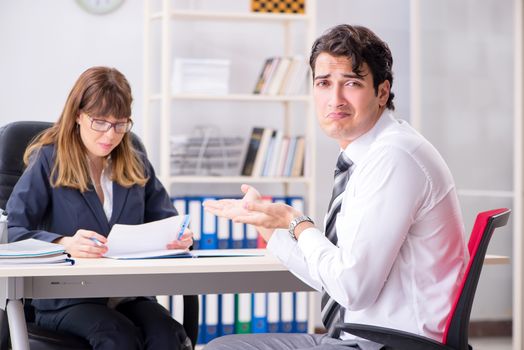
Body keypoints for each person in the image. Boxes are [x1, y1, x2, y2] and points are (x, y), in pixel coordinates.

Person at [203, 24, 468, 350]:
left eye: (352, 83)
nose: (335, 99)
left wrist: (296, 223)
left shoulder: (394, 158)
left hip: (388, 344)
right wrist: (272, 227)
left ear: (381, 92)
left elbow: (352, 289)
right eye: (324, 83)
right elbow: (335, 278)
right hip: (365, 337)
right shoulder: (370, 154)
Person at [6, 66, 194, 350]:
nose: (110, 134)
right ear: (78, 115)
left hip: (129, 294)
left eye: (120, 124)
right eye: (100, 122)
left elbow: (167, 221)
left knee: (168, 334)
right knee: (117, 336)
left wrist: (180, 238)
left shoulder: (135, 162)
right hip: (68, 299)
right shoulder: (48, 160)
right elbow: (11, 233)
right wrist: (64, 243)